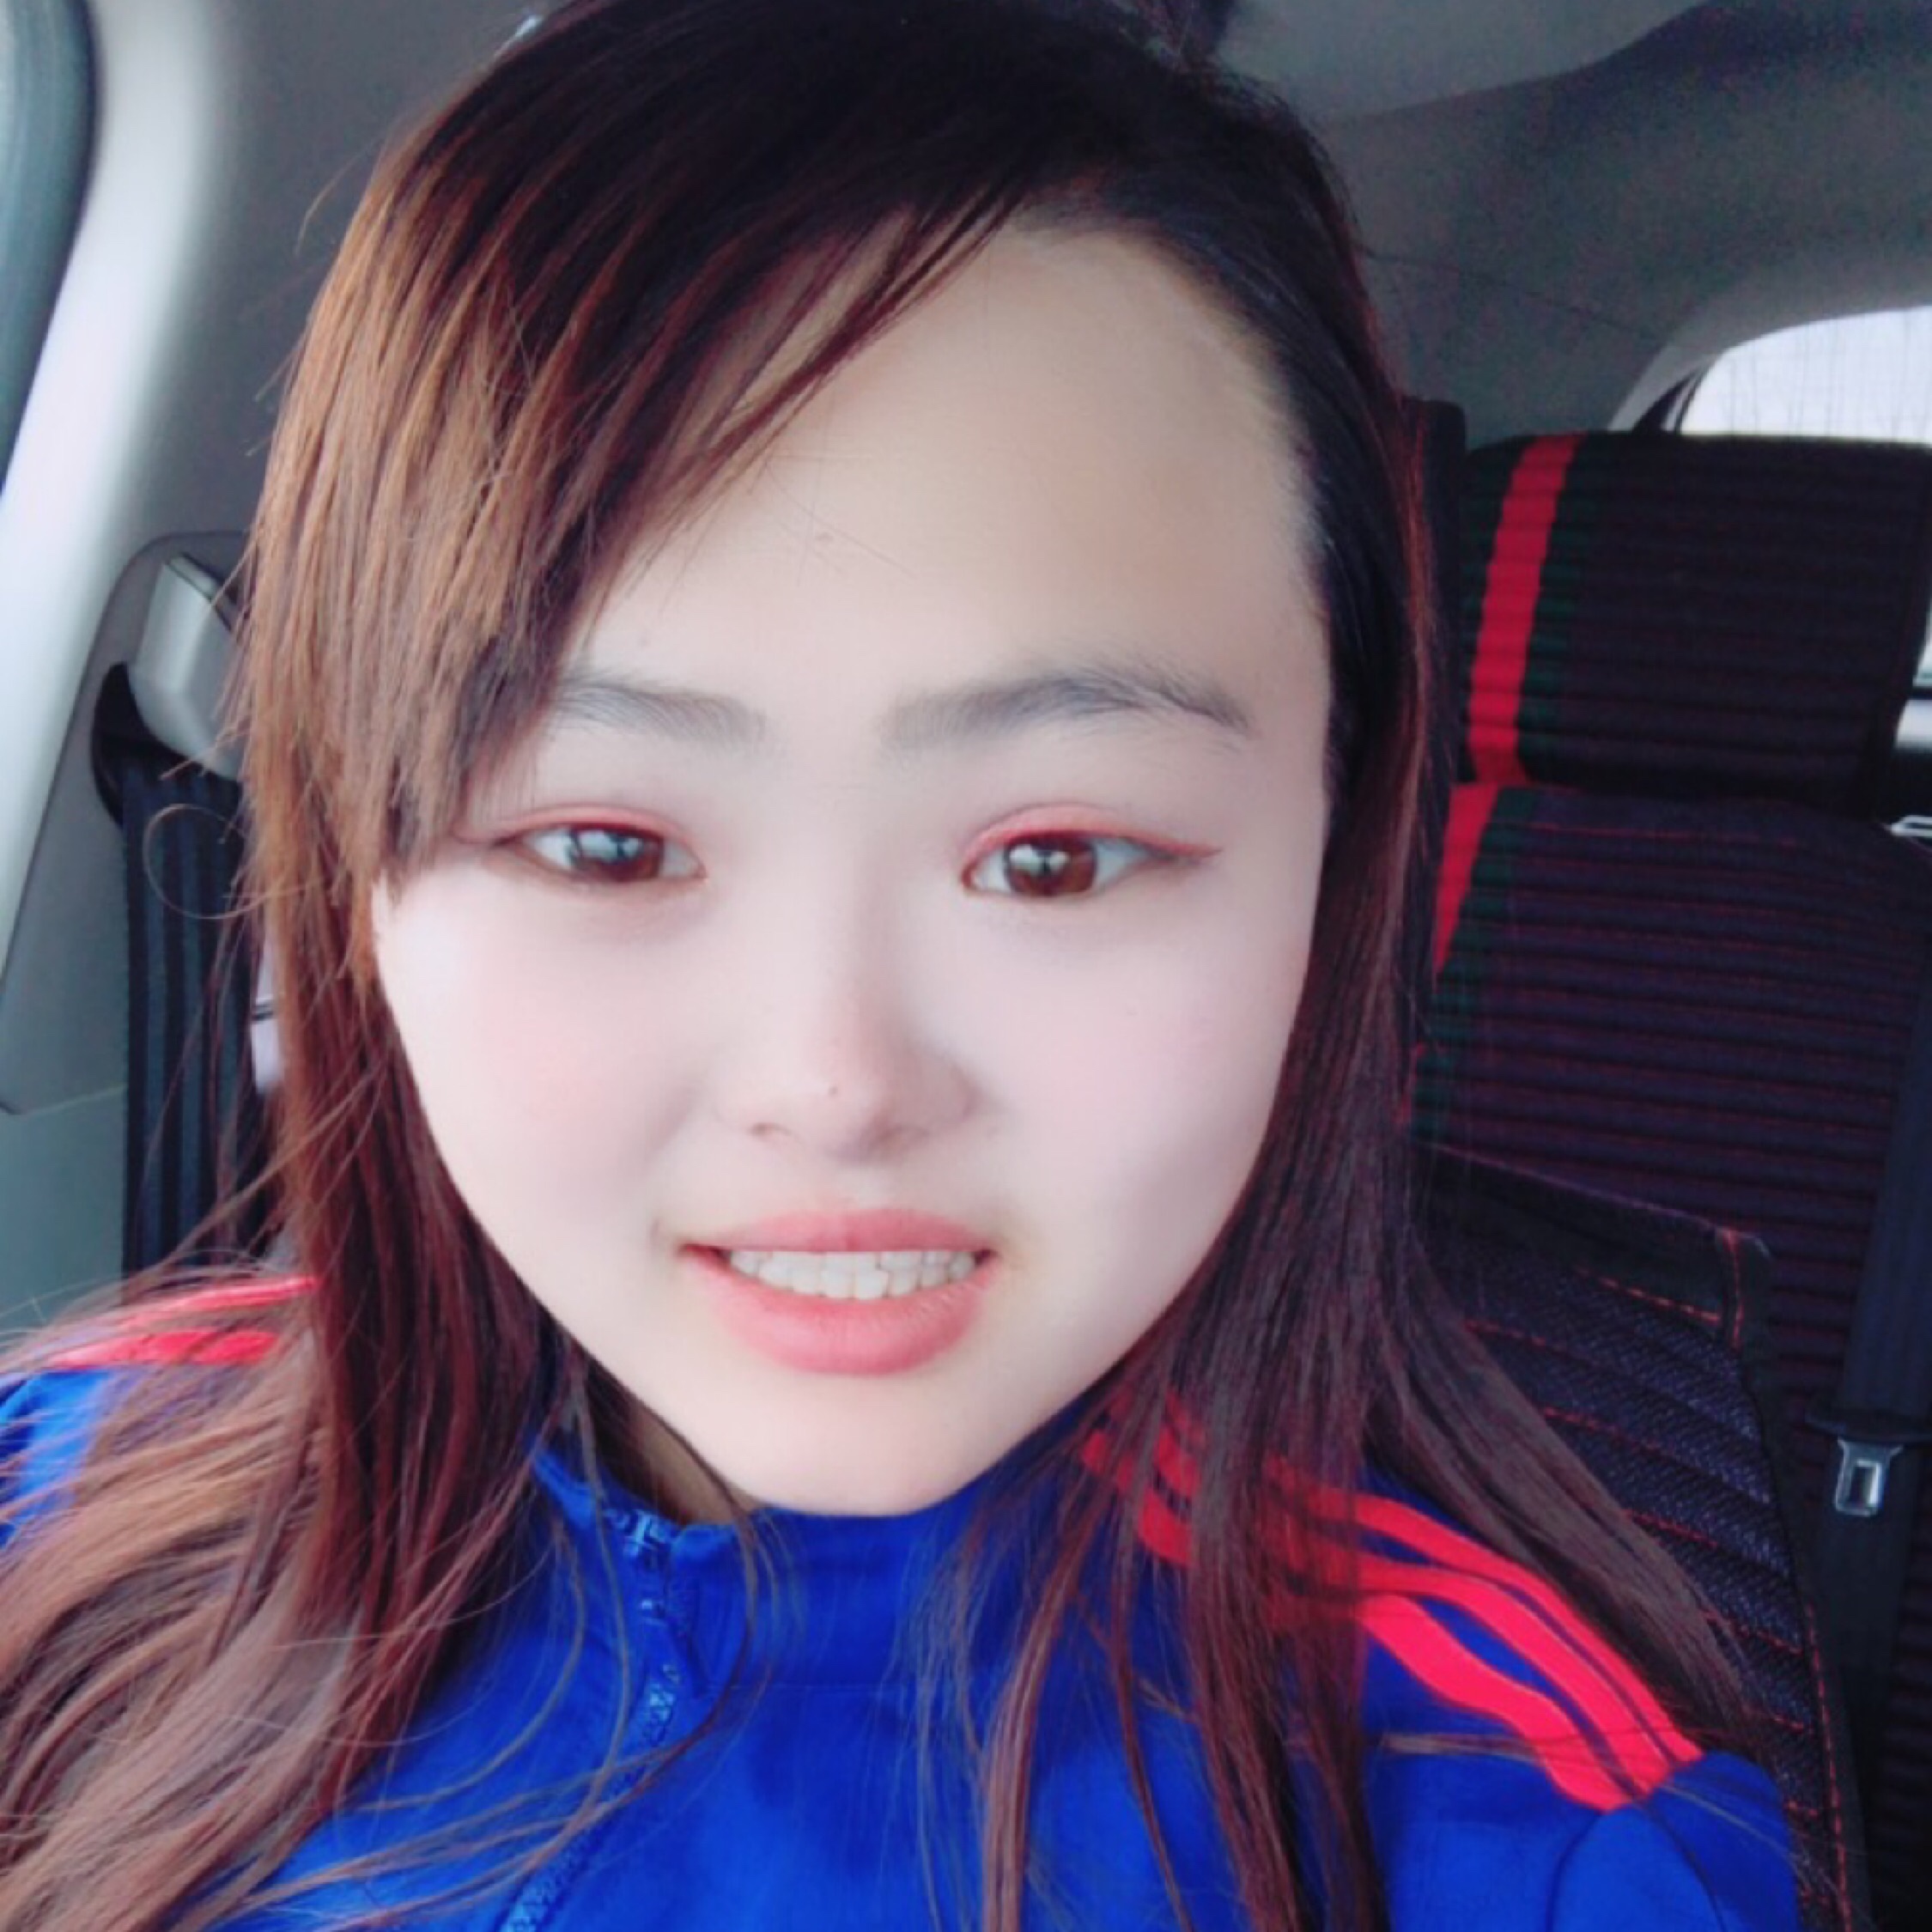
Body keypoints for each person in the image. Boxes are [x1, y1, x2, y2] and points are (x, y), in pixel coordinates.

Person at [0, 2, 1801, 1928]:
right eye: (607, 844)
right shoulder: (53, 1514)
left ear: (1330, 864)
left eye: (1055, 859)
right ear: (355, 867)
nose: (837, 1081)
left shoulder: (1516, 1847)